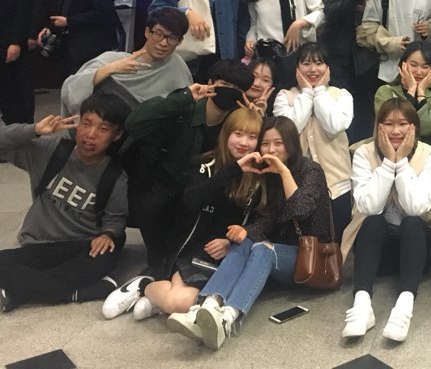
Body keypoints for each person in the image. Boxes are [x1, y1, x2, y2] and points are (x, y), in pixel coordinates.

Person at [166, 116, 332, 350]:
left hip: (311, 257)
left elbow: (300, 210)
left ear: (292, 144)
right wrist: (244, 232)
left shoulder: (310, 171)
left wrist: (284, 171)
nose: (271, 149)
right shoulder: (268, 174)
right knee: (245, 243)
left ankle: (228, 317)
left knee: (263, 249)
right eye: (265, 143)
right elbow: (267, 219)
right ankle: (208, 307)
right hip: (276, 252)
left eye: (279, 143)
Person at [101, 108, 263, 321]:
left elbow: (260, 220)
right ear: (226, 134)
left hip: (227, 255)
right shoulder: (205, 165)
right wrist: (234, 169)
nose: (244, 142)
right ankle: (144, 284)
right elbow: (192, 199)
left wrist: (230, 242)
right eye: (238, 134)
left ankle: (157, 300)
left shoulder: (258, 177)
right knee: (183, 302)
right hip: (192, 249)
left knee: (195, 302)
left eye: (252, 137)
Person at [0, 94, 131, 312]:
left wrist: (108, 234)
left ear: (116, 135)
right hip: (39, 244)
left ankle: (21, 289)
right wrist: (34, 130)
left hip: (81, 246)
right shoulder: (51, 151)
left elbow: (116, 218)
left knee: (109, 253)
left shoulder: (115, 175)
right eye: (86, 123)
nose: (91, 134)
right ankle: (78, 292)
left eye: (103, 129)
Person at [123, 60, 254, 273]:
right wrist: (184, 97)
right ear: (210, 83)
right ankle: (157, 263)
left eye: (237, 89)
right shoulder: (184, 108)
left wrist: (256, 118)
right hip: (166, 184)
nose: (229, 92)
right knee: (151, 207)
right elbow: (133, 123)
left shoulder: (235, 123)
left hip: (205, 189)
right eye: (224, 85)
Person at [340, 98, 431, 343]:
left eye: (403, 123)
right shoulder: (363, 152)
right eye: (388, 123)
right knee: (372, 221)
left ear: (414, 127)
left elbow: (416, 207)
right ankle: (362, 304)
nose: (395, 131)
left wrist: (402, 162)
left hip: (419, 247)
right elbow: (369, 206)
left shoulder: (430, 155)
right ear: (378, 126)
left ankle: (404, 306)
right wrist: (388, 163)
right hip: (378, 251)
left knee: (411, 223)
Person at [320, 0, 394, 143]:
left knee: (368, 110)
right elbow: (330, 9)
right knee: (343, 107)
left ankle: (363, 152)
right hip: (343, 54)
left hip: (373, 54)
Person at [273, 42, 353, 240]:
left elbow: (334, 125)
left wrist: (319, 92)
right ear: (297, 68)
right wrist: (307, 93)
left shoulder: (341, 95)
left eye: (318, 63)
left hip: (336, 185)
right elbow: (289, 130)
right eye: (306, 63)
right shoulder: (284, 96)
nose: (313, 69)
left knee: (333, 247)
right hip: (296, 185)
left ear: (328, 68)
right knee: (302, 246)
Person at [60, 7, 192, 115]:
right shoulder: (112, 59)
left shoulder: (177, 66)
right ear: (147, 32)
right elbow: (70, 90)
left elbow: (186, 108)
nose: (163, 43)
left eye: (172, 38)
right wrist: (109, 70)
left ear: (179, 41)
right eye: (158, 34)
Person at [0, 0, 44, 122]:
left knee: (13, 91)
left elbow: (22, 9)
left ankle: (20, 128)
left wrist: (17, 41)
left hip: (8, 40)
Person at [373, 42, 431, 140]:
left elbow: (426, 130)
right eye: (413, 65)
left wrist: (421, 93)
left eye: (425, 67)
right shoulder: (385, 91)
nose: (419, 72)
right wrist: (411, 90)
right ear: (403, 65)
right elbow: (394, 124)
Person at [0, 0, 30, 124]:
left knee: (10, 94)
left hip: (6, 42)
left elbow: (22, 10)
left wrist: (16, 41)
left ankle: (17, 132)